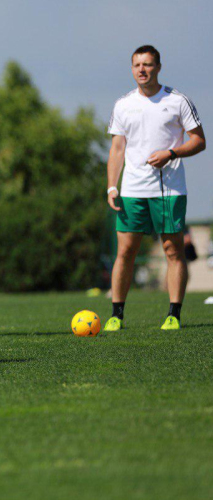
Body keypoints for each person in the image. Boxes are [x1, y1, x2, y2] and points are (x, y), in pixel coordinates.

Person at [105, 45, 206, 331]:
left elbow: (199, 141)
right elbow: (117, 148)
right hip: (132, 190)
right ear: (132, 69)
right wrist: (112, 187)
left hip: (169, 190)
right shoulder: (123, 104)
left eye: (148, 64)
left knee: (173, 250)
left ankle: (173, 314)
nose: (142, 70)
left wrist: (171, 154)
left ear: (158, 67)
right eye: (137, 65)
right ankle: (117, 314)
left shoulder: (177, 101)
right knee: (125, 252)